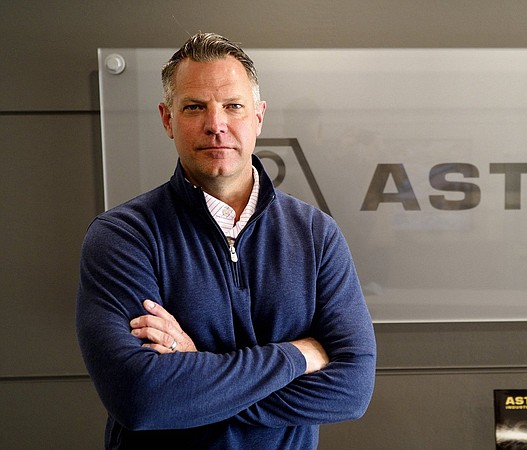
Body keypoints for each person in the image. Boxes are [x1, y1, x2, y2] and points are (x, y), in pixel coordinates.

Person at [76, 32, 377, 449]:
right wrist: (297, 356)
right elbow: (141, 398)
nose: (215, 124)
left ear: (258, 116)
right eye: (195, 107)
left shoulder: (315, 234)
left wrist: (196, 372)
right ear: (167, 119)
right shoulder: (124, 236)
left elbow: (352, 390)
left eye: (233, 106)